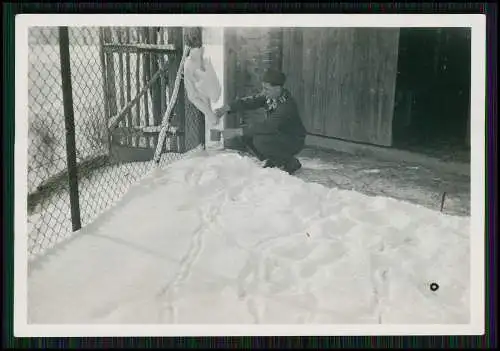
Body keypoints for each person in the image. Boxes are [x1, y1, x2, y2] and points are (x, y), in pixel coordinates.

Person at [214, 69, 306, 174]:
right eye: (263, 88)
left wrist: (235, 132)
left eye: (267, 89)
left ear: (277, 88)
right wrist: (226, 108)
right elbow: (250, 102)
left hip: (293, 140)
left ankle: (289, 162)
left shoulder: (286, 106)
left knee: (260, 140)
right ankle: (272, 160)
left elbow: (267, 126)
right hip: (278, 134)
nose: (264, 92)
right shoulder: (271, 96)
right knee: (247, 134)